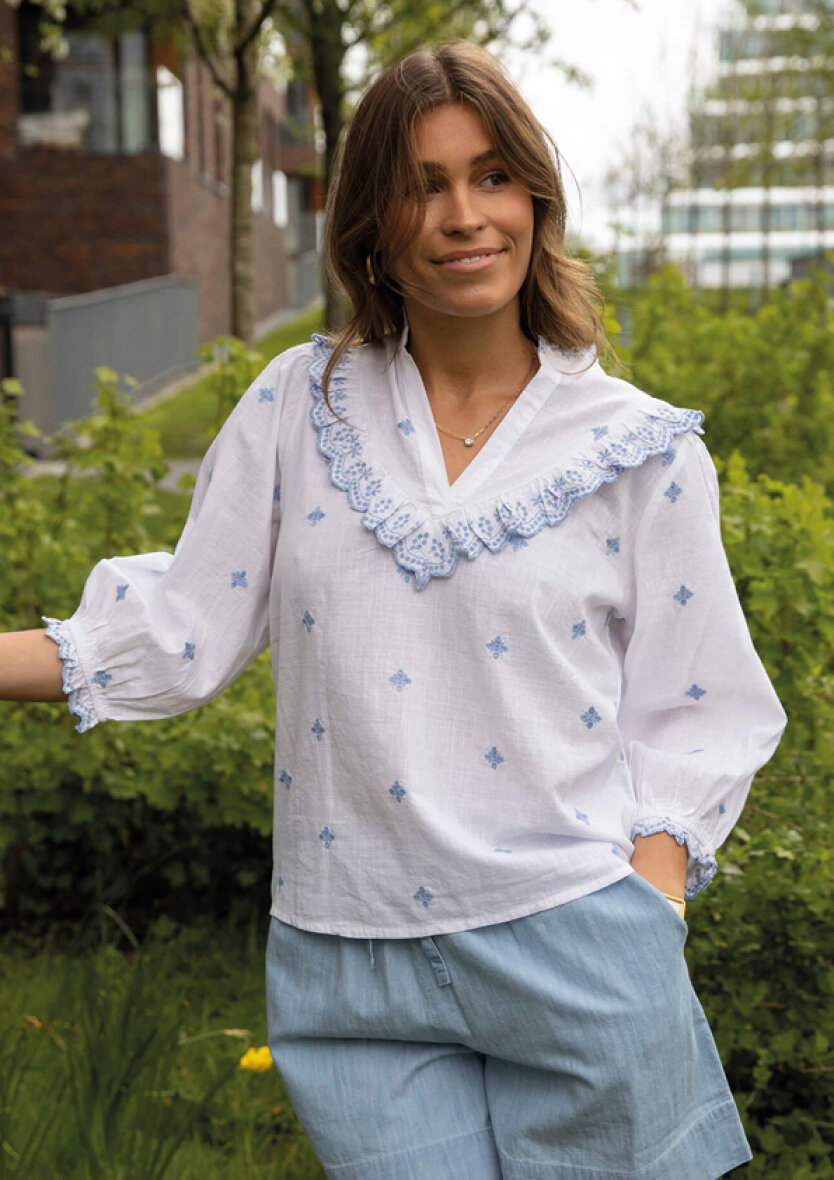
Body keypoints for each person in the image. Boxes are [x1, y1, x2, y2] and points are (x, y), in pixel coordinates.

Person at [1, 41, 786, 1180]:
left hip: (578, 942)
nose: (465, 216)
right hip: (347, 960)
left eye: (492, 177)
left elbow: (703, 703)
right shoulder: (300, 401)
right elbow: (177, 631)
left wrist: (649, 899)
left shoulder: (640, 449)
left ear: (537, 200)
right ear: (371, 221)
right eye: (423, 185)